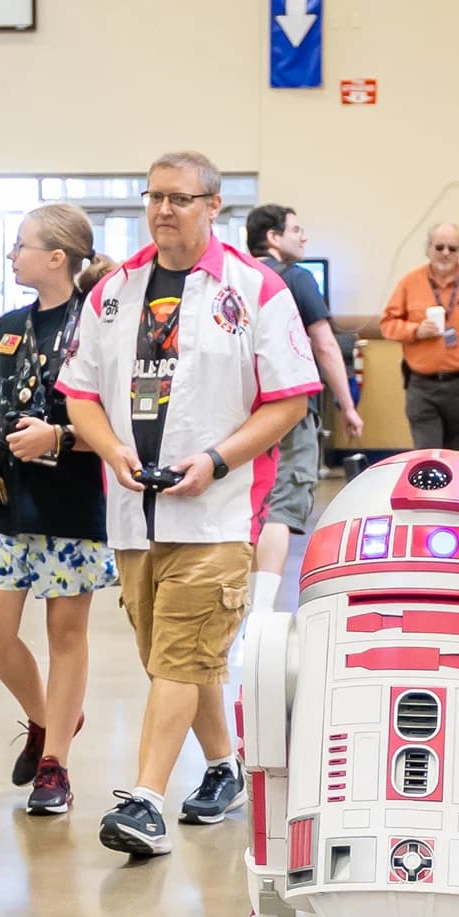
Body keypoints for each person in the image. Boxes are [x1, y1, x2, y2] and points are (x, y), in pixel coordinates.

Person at [59, 150, 319, 858]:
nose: (164, 209)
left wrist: (216, 461)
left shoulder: (256, 289)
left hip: (218, 513)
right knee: (176, 656)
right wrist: (110, 448)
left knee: (178, 655)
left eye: (180, 198)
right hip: (132, 514)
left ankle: (146, 802)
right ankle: (228, 768)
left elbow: (290, 399)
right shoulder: (113, 291)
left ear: (213, 206)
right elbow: (79, 391)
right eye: (154, 197)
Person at [0, 204, 118, 812]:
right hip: (5, 501)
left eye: (21, 245)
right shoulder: (8, 326)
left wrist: (60, 438)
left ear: (57, 257)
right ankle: (48, 719)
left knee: (65, 633)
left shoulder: (96, 330)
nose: (11, 255)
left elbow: (115, 425)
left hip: (71, 503)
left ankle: (55, 765)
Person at [242, 202, 363, 610]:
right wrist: (348, 405)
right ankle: (261, 611)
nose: (304, 237)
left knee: (243, 502)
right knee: (282, 503)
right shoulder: (296, 278)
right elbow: (325, 344)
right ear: (273, 238)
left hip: (237, 413)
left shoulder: (234, 277)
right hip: (287, 408)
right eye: (296, 230)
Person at [380, 224, 459, 453]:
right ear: (428, 248)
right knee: (428, 455)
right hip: (422, 386)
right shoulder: (409, 282)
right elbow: (387, 324)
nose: (446, 253)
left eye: (452, 248)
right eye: (439, 247)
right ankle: (431, 492)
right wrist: (415, 331)